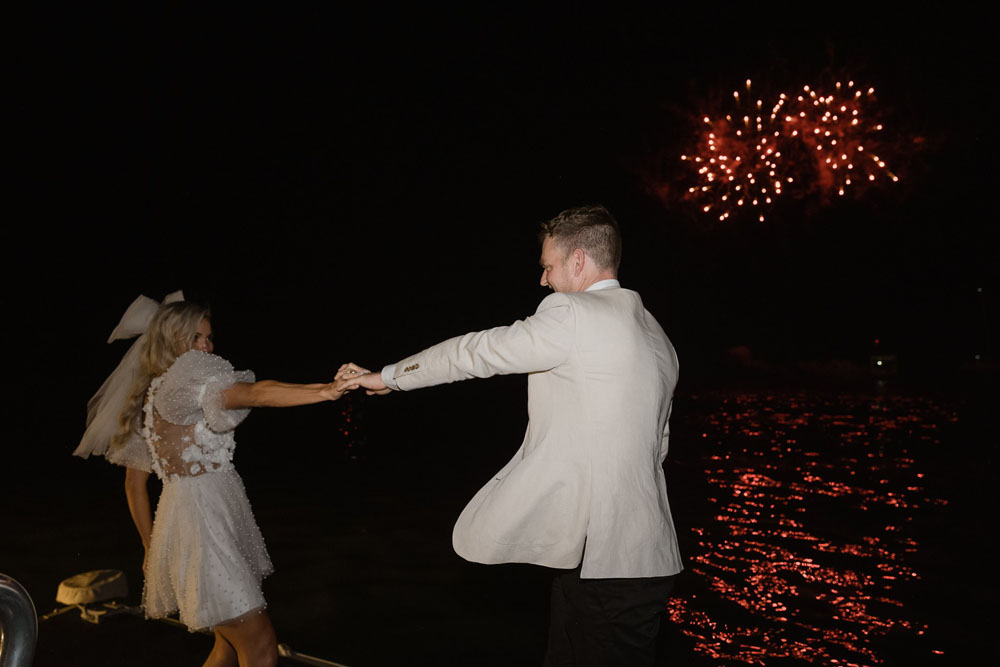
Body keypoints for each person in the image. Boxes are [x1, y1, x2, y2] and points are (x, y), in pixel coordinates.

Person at [345, 205, 683, 666]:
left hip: (604, 560)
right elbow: (657, 448)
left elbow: (475, 352)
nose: (543, 281)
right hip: (641, 556)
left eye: (547, 266)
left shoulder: (573, 312)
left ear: (578, 261)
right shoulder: (659, 338)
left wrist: (387, 377)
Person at [75, 294, 356, 667]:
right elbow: (254, 393)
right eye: (195, 338)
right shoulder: (185, 378)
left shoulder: (153, 393)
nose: (205, 347)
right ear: (171, 340)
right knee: (260, 649)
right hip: (204, 527)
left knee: (226, 648)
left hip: (192, 523)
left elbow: (134, 486)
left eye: (208, 338)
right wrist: (327, 390)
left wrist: (150, 548)